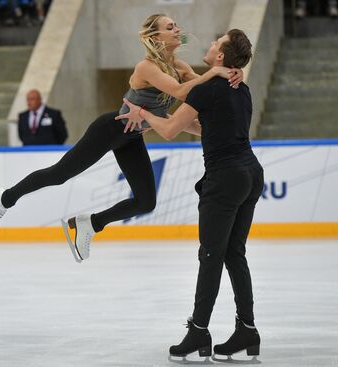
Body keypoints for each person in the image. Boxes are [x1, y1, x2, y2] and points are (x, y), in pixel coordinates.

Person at [0, 14, 242, 263]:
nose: (177, 29)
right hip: (110, 130)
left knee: (145, 201)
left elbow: (203, 95)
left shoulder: (180, 67)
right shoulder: (146, 67)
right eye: (170, 26)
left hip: (132, 137)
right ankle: (4, 198)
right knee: (59, 174)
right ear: (156, 36)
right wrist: (214, 73)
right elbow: (179, 90)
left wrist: (233, 75)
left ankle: (90, 224)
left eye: (176, 25)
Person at [117, 29, 263, 363]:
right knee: (234, 254)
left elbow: (169, 130)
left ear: (222, 57)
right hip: (251, 174)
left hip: (225, 178)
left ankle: (198, 331)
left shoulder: (207, 88)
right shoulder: (240, 87)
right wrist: (157, 115)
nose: (210, 45)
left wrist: (143, 115)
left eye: (216, 43)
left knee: (211, 256)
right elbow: (201, 126)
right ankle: (247, 329)